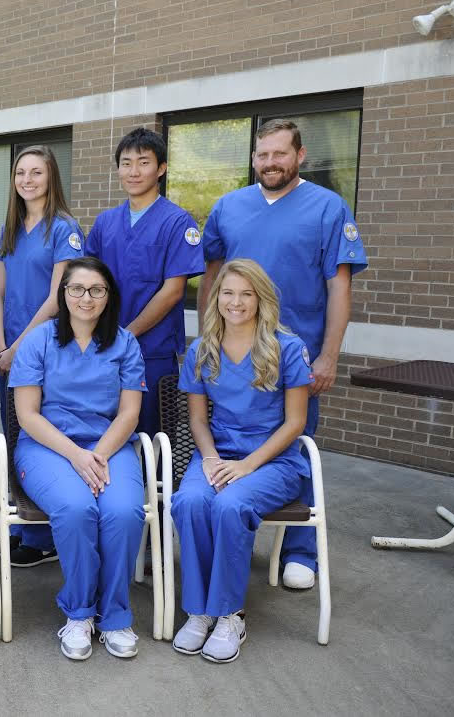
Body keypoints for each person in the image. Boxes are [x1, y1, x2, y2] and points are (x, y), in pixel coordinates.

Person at [198, 119, 367, 590]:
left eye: (280, 154)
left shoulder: (328, 207)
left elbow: (340, 286)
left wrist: (329, 355)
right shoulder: (229, 207)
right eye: (263, 154)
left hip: (297, 356)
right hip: (233, 354)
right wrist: (203, 340)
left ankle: (300, 550)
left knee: (295, 446)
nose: (271, 162)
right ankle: (238, 534)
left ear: (300, 155)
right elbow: (211, 279)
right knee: (232, 442)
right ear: (253, 159)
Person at [170, 259, 313, 663]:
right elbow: (198, 419)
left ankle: (231, 613)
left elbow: (295, 423)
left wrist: (247, 466)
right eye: (228, 293)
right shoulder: (202, 349)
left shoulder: (287, 348)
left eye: (246, 294)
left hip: (273, 463)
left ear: (261, 299)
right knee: (189, 501)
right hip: (218, 455)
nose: (237, 302)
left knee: (231, 505)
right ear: (216, 299)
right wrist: (212, 459)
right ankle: (199, 611)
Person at [10, 257, 147, 661]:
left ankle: (116, 616)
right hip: (47, 447)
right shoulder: (39, 341)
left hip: (109, 445)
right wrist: (75, 455)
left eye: (96, 290)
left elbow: (129, 414)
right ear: (63, 294)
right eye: (77, 289)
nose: (86, 298)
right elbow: (27, 416)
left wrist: (98, 454)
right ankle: (80, 613)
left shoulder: (125, 343)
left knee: (123, 511)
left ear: (108, 296)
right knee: (75, 508)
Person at [0, 144, 83, 569]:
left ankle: (44, 535)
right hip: (10, 350)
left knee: (42, 435)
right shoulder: (11, 228)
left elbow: (57, 297)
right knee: (13, 436)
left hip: (46, 350)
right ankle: (20, 524)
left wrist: (17, 347)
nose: (27, 180)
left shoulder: (64, 228)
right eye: (20, 173)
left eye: (36, 173)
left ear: (51, 179)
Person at [84, 127, 204, 436]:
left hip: (152, 352)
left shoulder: (177, 222)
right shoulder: (105, 223)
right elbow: (87, 281)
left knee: (152, 440)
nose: (133, 171)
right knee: (102, 432)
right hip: (101, 349)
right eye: (126, 163)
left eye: (143, 162)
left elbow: (173, 291)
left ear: (161, 169)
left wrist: (126, 335)